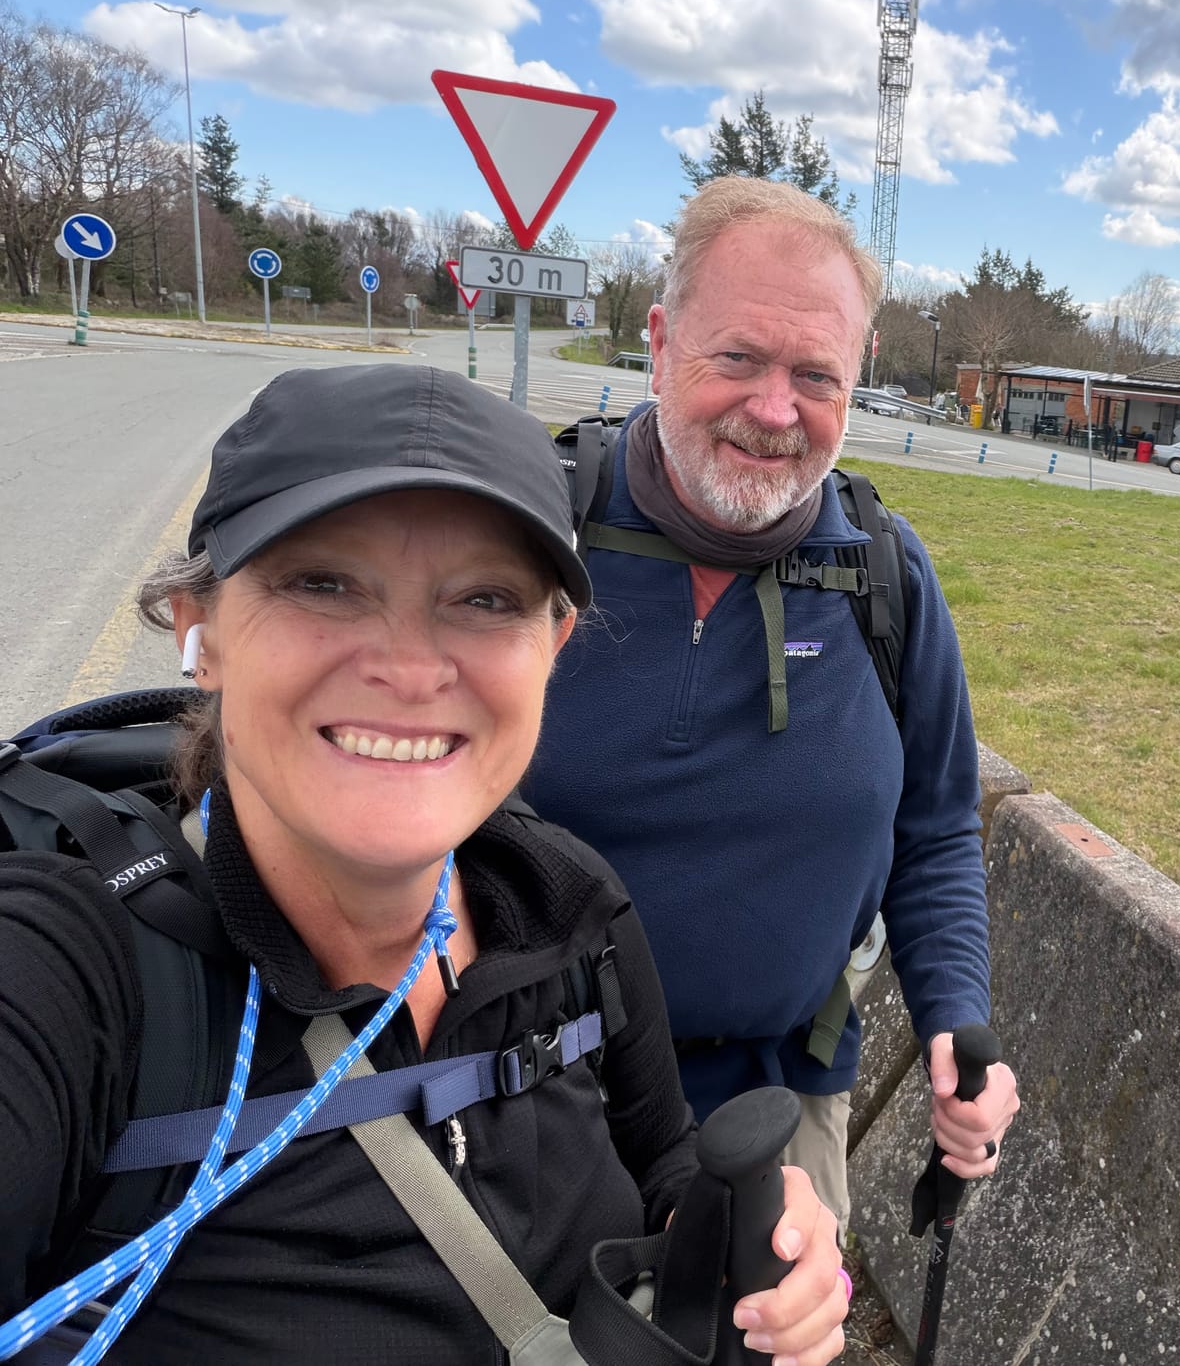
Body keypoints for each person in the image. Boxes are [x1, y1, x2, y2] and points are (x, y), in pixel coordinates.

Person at [0, 364, 847, 1365]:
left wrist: (754, 1245)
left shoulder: (569, 909)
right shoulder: (75, 972)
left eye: (485, 598)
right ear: (201, 628)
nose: (408, 669)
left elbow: (661, 1157)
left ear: (553, 645)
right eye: (323, 583)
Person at [524, 177, 1019, 1230]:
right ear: (661, 343)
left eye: (815, 375)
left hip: (774, 1114)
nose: (774, 409)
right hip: (519, 1098)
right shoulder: (535, 535)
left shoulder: (885, 574)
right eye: (739, 358)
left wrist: (953, 1020)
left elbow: (933, 831)